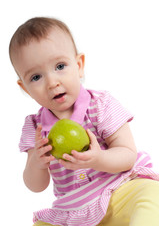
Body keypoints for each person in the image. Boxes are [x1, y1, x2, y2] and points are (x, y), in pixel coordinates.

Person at [9, 17, 159, 226]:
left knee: (152, 194)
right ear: (25, 88)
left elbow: (127, 155)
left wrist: (99, 159)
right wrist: (37, 163)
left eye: (60, 66)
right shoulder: (36, 127)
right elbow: (35, 185)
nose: (53, 82)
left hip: (119, 191)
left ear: (79, 65)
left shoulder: (100, 105)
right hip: (74, 212)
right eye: (36, 77)